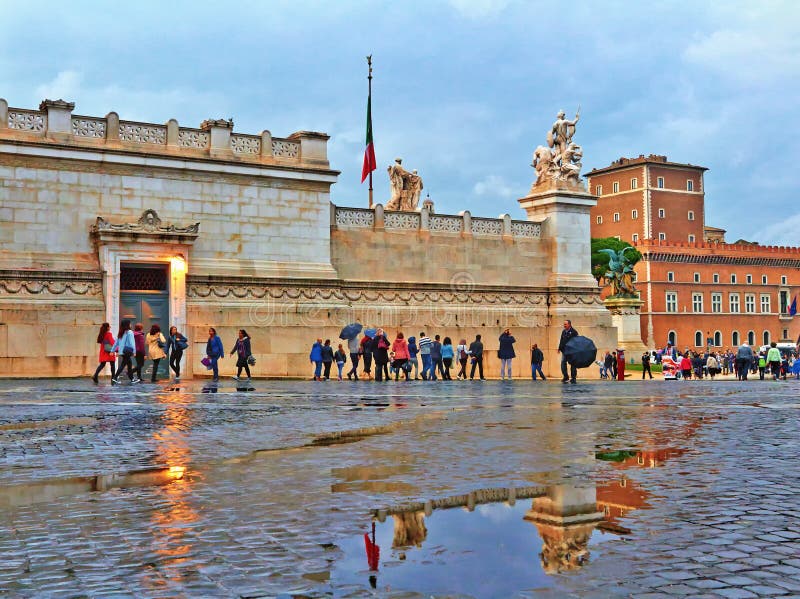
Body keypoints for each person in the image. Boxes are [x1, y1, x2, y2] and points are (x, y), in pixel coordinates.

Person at [111, 319, 135, 384]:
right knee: (123, 365)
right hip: (128, 351)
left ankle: (132, 378)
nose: (131, 325)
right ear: (127, 325)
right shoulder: (130, 332)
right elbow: (132, 342)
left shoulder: (121, 332)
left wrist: (112, 350)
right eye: (130, 323)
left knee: (129, 364)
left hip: (122, 351)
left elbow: (116, 343)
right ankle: (115, 378)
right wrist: (134, 351)